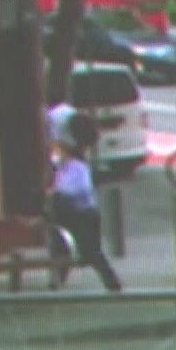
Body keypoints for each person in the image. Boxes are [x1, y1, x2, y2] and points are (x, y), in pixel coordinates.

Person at [45, 116, 123, 293]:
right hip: (71, 215)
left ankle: (113, 285)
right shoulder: (62, 167)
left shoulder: (77, 167)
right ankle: (57, 281)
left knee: (92, 253)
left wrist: (57, 192)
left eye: (59, 149)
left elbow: (81, 188)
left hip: (84, 215)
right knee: (60, 247)